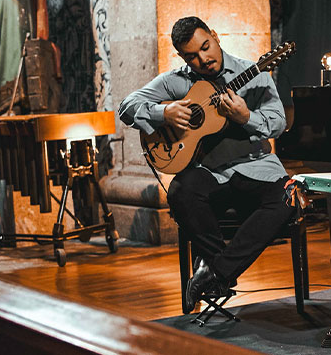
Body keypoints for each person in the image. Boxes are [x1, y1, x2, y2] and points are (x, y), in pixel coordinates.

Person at [119, 16, 294, 313]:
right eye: (192, 56)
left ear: (214, 36)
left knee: (285, 200)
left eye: (206, 47)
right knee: (180, 191)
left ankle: (214, 273)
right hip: (211, 172)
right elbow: (126, 107)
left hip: (256, 166)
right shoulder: (175, 81)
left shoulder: (255, 73)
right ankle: (217, 271)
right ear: (181, 57)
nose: (203, 59)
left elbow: (278, 123)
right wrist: (165, 112)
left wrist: (246, 117)